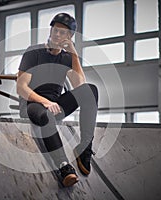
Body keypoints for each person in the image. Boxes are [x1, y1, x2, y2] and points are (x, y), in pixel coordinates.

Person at [16, 13, 98, 187]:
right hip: (33, 105)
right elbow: (21, 87)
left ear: (69, 37)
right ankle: (64, 166)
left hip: (55, 106)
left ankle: (85, 148)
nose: (57, 35)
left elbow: (79, 84)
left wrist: (73, 53)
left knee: (90, 90)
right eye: (55, 31)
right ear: (51, 30)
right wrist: (45, 102)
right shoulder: (34, 52)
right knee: (46, 114)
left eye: (62, 33)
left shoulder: (68, 57)